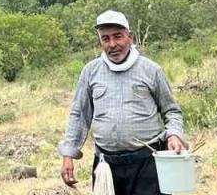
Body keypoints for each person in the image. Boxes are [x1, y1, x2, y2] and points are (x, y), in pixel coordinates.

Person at [58, 10, 187, 195]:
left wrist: (173, 135)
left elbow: (172, 111)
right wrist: (68, 155)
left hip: (146, 163)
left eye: (118, 37)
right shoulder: (90, 71)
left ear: (130, 37)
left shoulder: (151, 70)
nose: (112, 44)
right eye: (105, 39)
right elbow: (79, 115)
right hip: (106, 165)